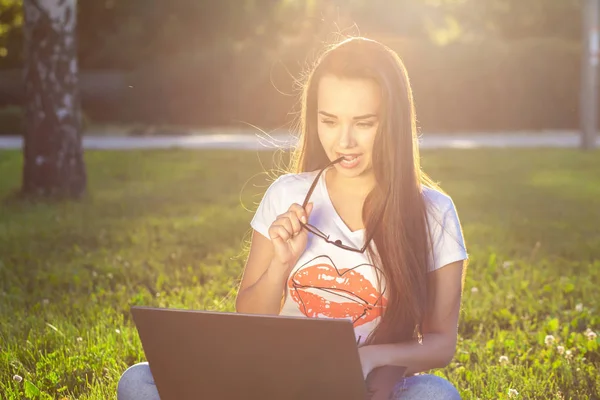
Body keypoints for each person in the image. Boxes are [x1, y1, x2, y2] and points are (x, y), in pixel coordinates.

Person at [117, 36, 468, 400]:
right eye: (329, 121)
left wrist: (368, 358)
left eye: (364, 123)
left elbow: (441, 344)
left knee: (433, 394)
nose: (343, 141)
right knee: (138, 382)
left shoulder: (435, 214)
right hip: (275, 384)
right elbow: (250, 316)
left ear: (393, 122)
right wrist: (279, 266)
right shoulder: (287, 193)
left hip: (365, 389)